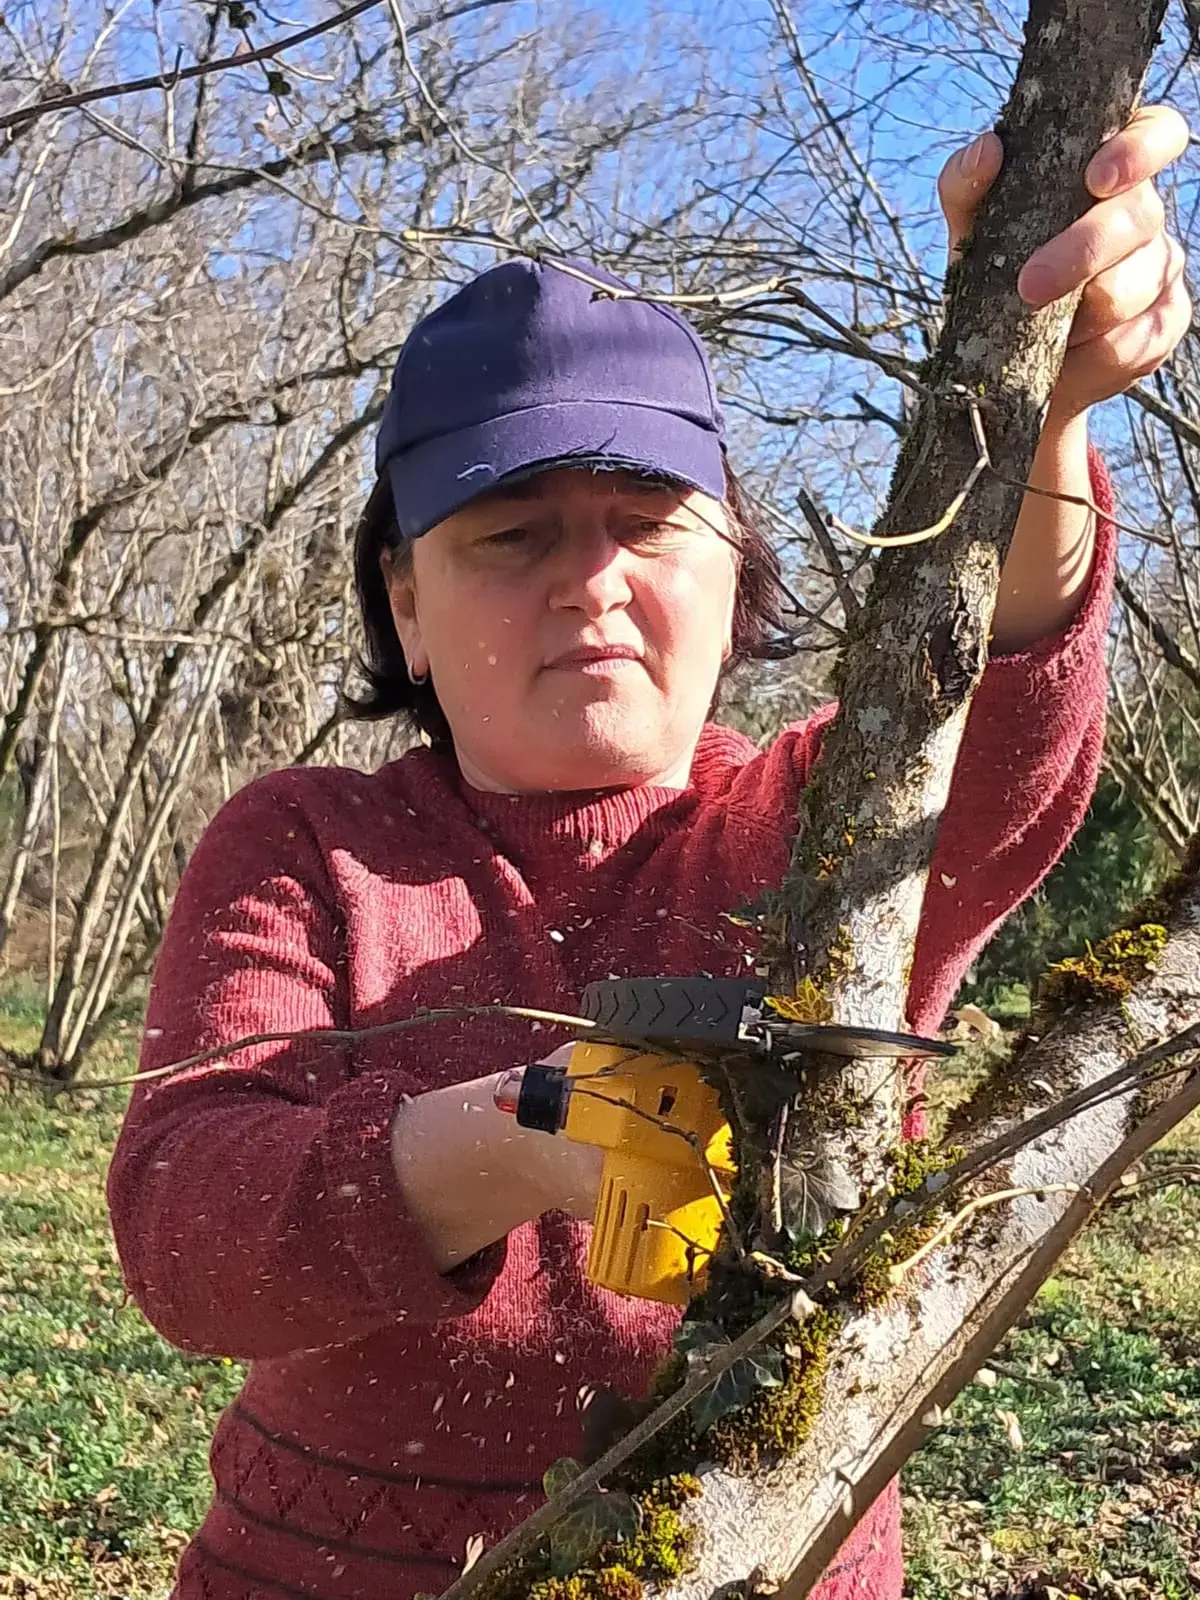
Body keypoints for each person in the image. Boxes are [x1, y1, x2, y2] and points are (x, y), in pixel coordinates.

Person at [108, 109, 1191, 1600]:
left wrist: (1039, 416)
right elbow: (190, 1229)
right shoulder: (307, 845)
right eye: (512, 534)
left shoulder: (811, 824)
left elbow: (991, 726)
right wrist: (536, 1132)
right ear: (405, 603)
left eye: (646, 521)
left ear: (736, 571)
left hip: (763, 1564)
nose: (594, 582)